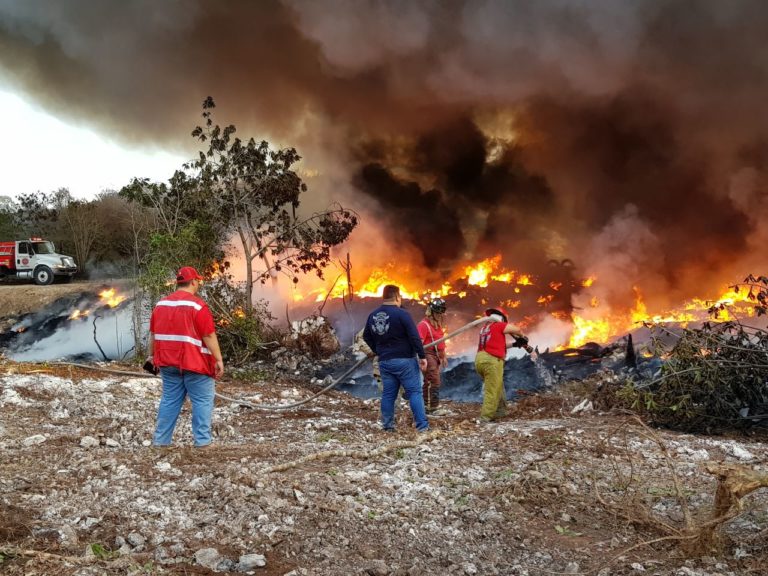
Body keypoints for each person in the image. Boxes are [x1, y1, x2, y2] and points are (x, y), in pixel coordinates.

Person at [147, 266, 225, 447]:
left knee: (169, 400)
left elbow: (153, 335)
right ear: (193, 282)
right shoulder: (197, 306)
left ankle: (160, 442)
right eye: (197, 281)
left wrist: (151, 356)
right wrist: (219, 359)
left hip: (167, 363)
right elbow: (209, 335)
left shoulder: (161, 305)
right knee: (202, 401)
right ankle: (202, 443)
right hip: (195, 364)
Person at [363, 284, 429, 433]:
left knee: (388, 394)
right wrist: (422, 356)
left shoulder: (373, 315)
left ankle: (387, 426)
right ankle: (422, 427)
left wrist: (378, 350)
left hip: (385, 362)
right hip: (405, 360)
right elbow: (414, 336)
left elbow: (366, 336)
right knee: (414, 392)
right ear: (397, 297)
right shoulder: (402, 314)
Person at [475, 306, 529, 424]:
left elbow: (499, 345)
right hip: (491, 361)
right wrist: (523, 338)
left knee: (498, 385)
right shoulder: (499, 325)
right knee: (492, 389)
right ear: (502, 318)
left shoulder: (486, 328)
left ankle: (500, 412)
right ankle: (485, 418)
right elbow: (518, 330)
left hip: (480, 360)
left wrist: (515, 344)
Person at [417, 298, 449, 415]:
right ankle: (431, 408)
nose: (439, 315)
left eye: (441, 313)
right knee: (432, 380)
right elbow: (419, 343)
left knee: (431, 380)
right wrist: (421, 358)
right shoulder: (423, 325)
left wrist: (443, 356)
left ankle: (427, 405)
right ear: (431, 311)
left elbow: (441, 342)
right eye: (437, 312)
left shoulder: (437, 325)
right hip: (428, 354)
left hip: (436, 356)